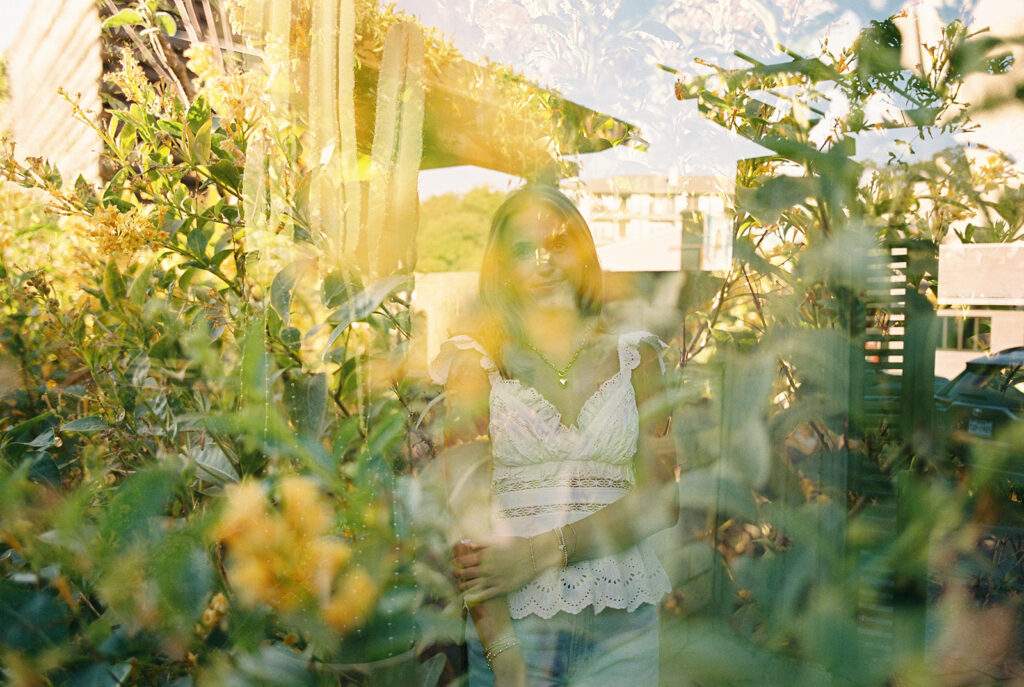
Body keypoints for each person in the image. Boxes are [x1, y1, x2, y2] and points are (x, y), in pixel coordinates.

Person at [429, 183, 679, 687]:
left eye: (559, 243)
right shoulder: (476, 367)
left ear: (584, 254)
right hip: (518, 630)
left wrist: (539, 552)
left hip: (622, 619)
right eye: (523, 249)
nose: (543, 261)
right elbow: (468, 531)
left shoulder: (636, 358)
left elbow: (660, 500)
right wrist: (507, 661)